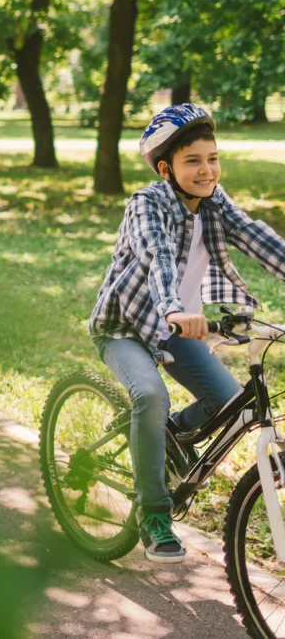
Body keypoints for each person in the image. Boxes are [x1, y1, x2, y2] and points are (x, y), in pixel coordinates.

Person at [89, 103, 285, 562]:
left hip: (177, 327)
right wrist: (176, 309)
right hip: (126, 327)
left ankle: (161, 439)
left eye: (213, 158)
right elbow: (158, 256)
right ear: (166, 168)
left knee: (230, 402)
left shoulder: (216, 202)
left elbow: (260, 239)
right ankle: (154, 514)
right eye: (193, 160)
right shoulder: (146, 204)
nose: (207, 169)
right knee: (151, 397)